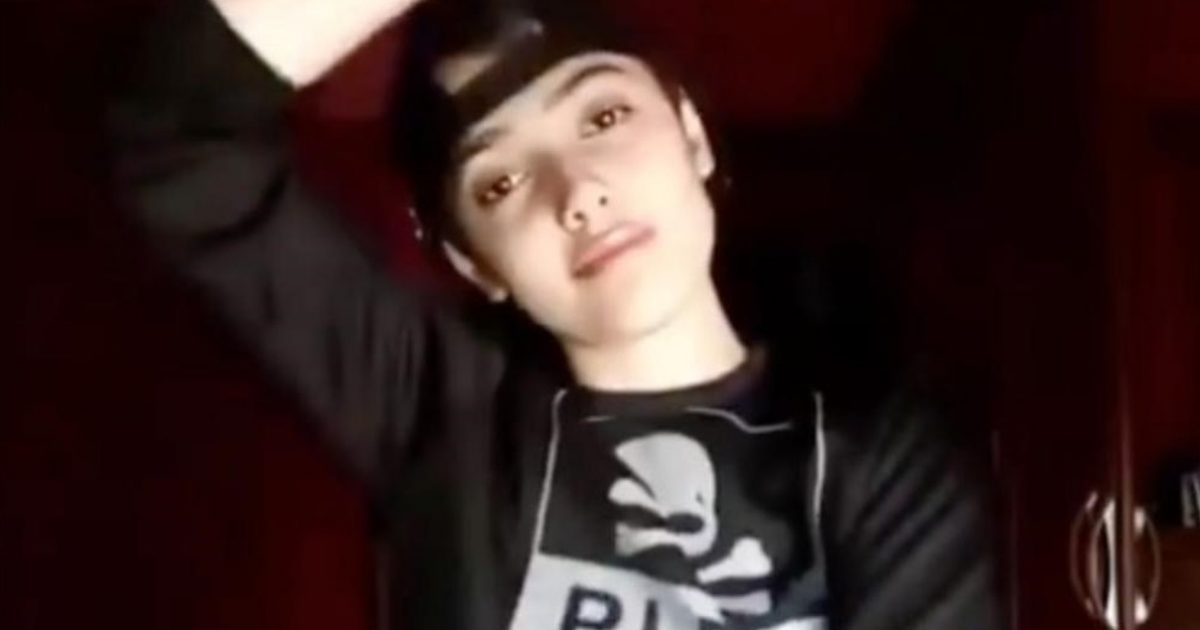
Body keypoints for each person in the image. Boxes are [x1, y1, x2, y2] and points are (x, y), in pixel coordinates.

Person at [108, 0, 1003, 627]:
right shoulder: (441, 408)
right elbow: (177, 136)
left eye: (604, 116)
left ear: (691, 135)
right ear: (474, 262)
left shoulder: (879, 458)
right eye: (499, 181)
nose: (577, 193)